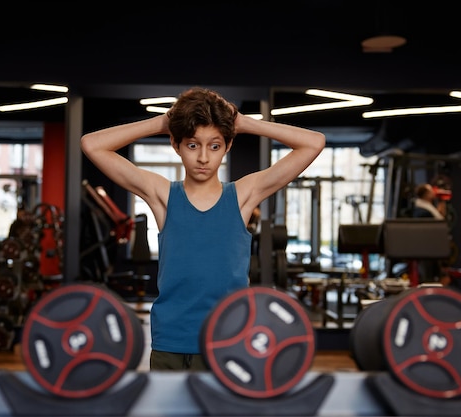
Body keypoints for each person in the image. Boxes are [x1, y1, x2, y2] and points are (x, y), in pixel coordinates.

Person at [81, 87, 325, 370]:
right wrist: (162, 122)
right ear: (176, 145)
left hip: (227, 339)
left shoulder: (243, 195)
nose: (203, 158)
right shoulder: (163, 195)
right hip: (170, 341)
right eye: (193, 145)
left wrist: (245, 123)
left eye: (215, 145)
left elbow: (314, 143)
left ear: (227, 146)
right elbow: (91, 144)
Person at [411, 183, 450, 284]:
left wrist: (442, 202)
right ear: (425, 194)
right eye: (430, 191)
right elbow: (437, 223)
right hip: (428, 248)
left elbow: (440, 217)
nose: (433, 192)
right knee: (429, 276)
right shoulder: (422, 211)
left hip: (433, 247)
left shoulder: (428, 208)